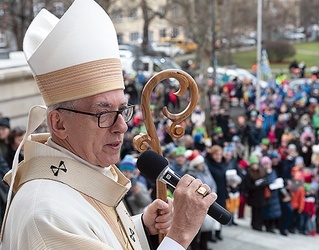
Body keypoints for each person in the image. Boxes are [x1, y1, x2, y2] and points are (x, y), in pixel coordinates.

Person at [0, 1, 217, 249]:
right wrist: (180, 234)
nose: (122, 126)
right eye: (103, 114)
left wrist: (141, 228)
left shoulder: (80, 171)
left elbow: (91, 234)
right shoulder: (47, 216)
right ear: (59, 124)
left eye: (122, 110)